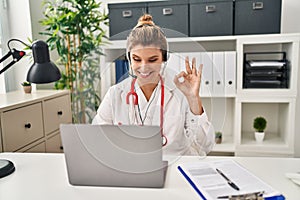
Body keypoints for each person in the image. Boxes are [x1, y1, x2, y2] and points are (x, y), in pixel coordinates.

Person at [92, 14, 214, 155]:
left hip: (173, 168)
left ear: (164, 58)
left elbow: (205, 146)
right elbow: (98, 141)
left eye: (152, 60)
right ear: (129, 58)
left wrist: (193, 99)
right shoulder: (115, 94)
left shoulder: (181, 91)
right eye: (137, 59)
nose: (144, 67)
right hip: (133, 170)